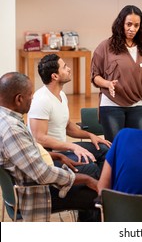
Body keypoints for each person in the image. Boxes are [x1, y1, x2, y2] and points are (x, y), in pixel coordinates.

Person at [0, 72, 99, 221]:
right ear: (19, 99)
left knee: (90, 170)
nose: (32, 98)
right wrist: (85, 180)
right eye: (30, 95)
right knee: (95, 193)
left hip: (28, 182)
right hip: (33, 193)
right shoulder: (12, 129)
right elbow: (43, 174)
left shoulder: (5, 118)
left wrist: (58, 155)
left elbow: (26, 154)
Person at [28, 54, 111, 179]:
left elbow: (67, 126)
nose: (69, 69)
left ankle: (103, 189)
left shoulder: (61, 94)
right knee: (90, 166)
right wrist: (73, 146)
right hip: (50, 156)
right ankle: (95, 191)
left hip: (63, 148)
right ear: (55, 76)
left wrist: (90, 136)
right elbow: (39, 138)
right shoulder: (41, 100)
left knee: (105, 150)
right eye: (64, 67)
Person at [91, 5, 142, 142]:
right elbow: (95, 76)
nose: (132, 29)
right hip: (112, 104)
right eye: (129, 24)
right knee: (117, 147)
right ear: (121, 23)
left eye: (136, 25)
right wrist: (108, 83)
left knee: (137, 147)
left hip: (138, 104)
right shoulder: (105, 47)